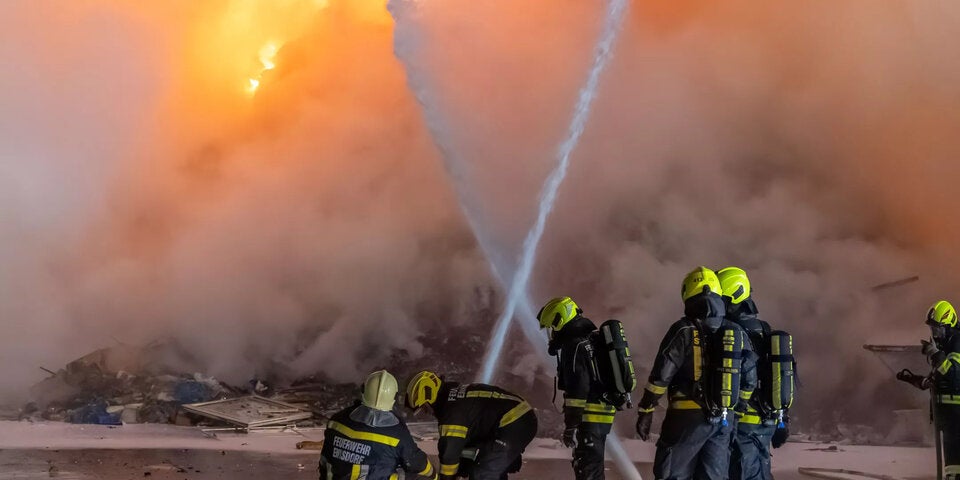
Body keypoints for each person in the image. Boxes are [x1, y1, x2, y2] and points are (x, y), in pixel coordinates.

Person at [635, 266, 757, 480]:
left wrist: (646, 409)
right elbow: (749, 380)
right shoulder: (736, 332)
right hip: (722, 421)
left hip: (685, 418)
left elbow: (661, 374)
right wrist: (736, 413)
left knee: (672, 473)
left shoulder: (683, 330)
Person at [717, 267, 790, 480]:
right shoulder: (765, 329)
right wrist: (783, 418)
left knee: (742, 473)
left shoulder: (731, 331)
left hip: (742, 421)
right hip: (767, 419)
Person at [537, 296, 617, 480]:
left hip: (590, 414)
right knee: (592, 466)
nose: (552, 334)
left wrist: (571, 426)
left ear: (560, 320)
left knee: (588, 469)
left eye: (552, 327)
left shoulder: (573, 346)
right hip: (600, 412)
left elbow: (578, 389)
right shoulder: (588, 341)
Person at [405, 371, 537, 480]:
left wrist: (447, 478)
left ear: (430, 396)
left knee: (483, 474)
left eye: (424, 407)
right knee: (485, 465)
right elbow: (467, 441)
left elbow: (449, 456)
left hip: (514, 422)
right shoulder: (454, 396)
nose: (426, 412)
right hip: (518, 420)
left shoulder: (451, 413)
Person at [319, 370, 437, 480]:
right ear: (393, 398)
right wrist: (433, 474)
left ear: (363, 390)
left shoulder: (336, 420)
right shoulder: (396, 433)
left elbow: (324, 462)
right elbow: (417, 462)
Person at [897, 300, 960, 479]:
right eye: (933, 330)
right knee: (952, 468)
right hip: (950, 417)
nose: (935, 334)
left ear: (949, 325)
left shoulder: (957, 343)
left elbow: (954, 374)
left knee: (956, 465)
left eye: (938, 329)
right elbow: (935, 380)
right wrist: (912, 379)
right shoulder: (946, 346)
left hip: (957, 415)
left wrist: (936, 355)